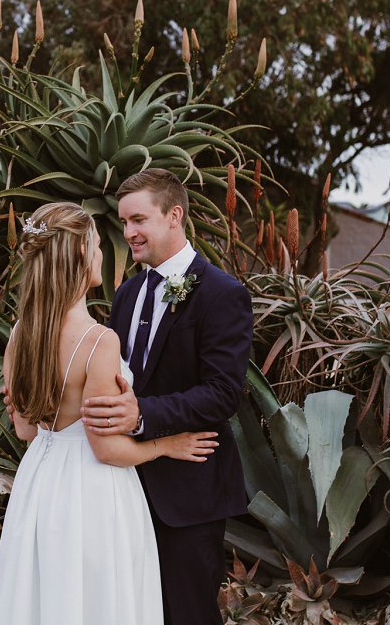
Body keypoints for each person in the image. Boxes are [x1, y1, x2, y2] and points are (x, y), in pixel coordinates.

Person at [0, 201, 219, 625]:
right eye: (94, 245)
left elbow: (24, 430)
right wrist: (168, 445)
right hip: (92, 492)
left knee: (47, 596)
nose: (99, 253)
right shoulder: (98, 341)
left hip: (39, 482)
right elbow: (107, 450)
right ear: (78, 254)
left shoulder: (21, 332)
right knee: (98, 600)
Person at [81, 168, 253, 625]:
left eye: (139, 220)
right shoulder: (128, 294)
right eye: (124, 223)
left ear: (174, 215)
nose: (129, 233)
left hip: (188, 490)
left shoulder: (222, 294)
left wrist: (141, 415)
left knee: (188, 613)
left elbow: (221, 395)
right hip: (124, 484)